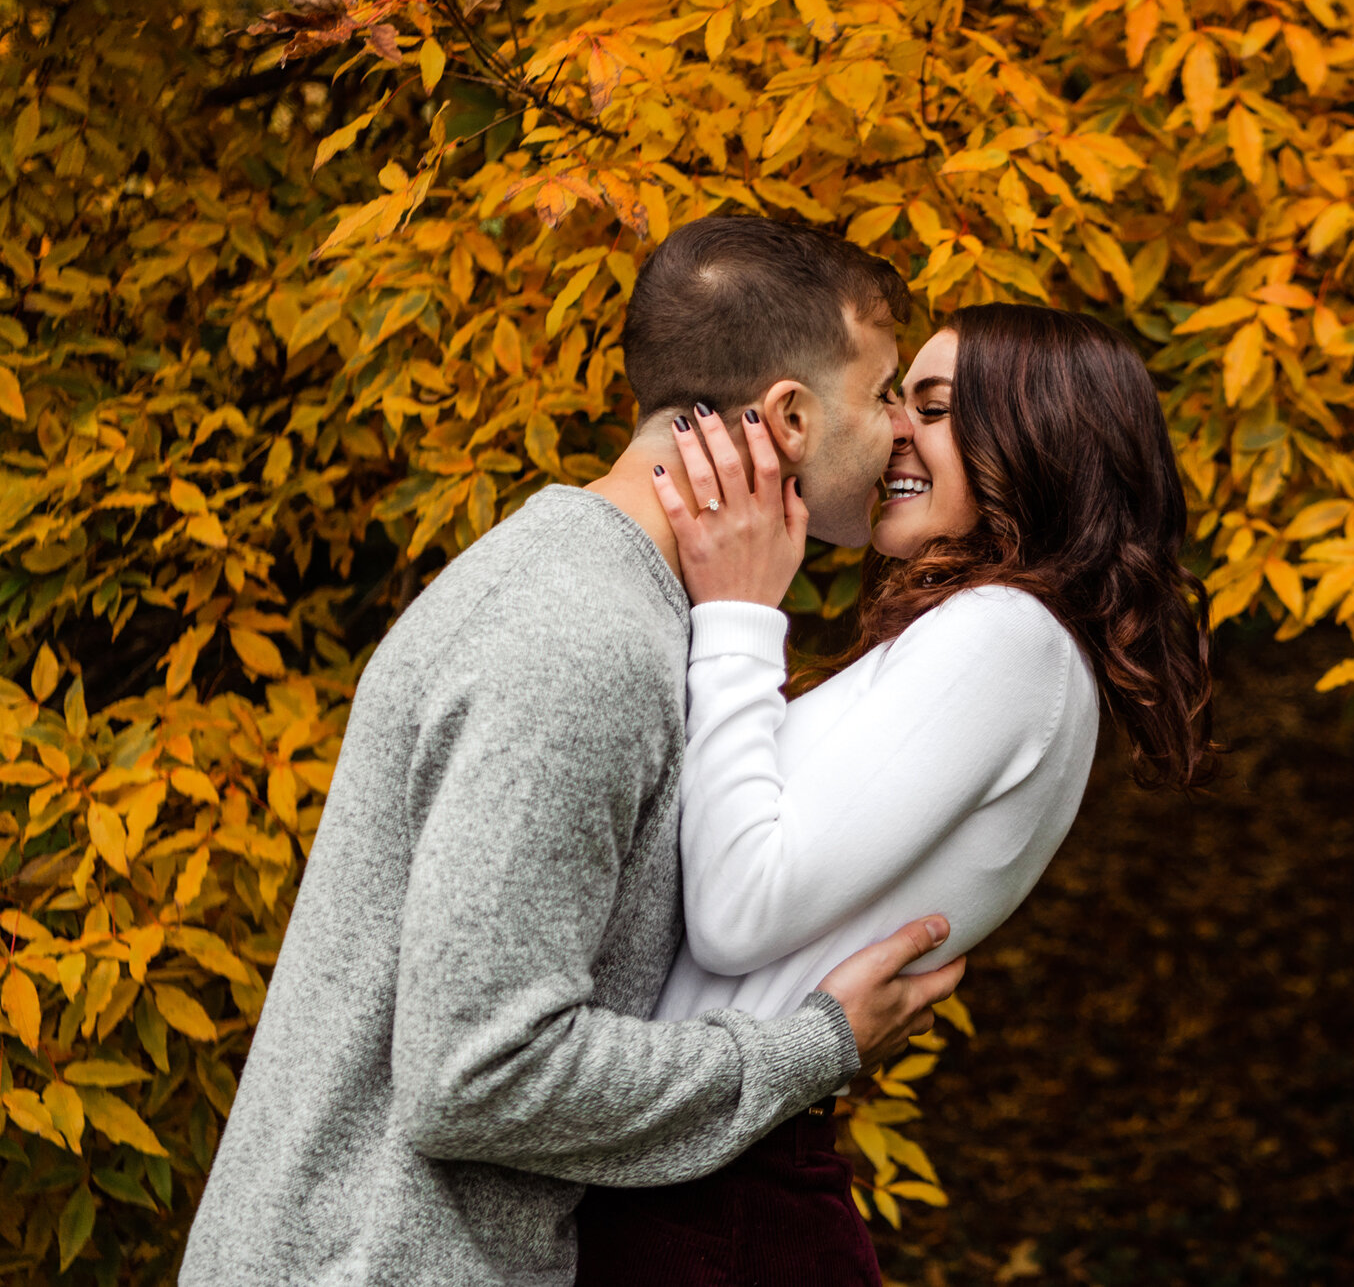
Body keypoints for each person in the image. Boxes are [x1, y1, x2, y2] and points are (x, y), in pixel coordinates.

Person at [180, 216, 967, 1286]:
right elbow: (479, 1070)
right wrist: (812, 1043)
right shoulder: (581, 639)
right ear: (789, 415)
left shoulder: (580, 588)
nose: (897, 432)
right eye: (881, 395)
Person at [573, 303, 1218, 1284]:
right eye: (892, 399)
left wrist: (743, 614)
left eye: (935, 405)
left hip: (716, 1209)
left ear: (1034, 436)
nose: (890, 430)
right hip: (701, 1181)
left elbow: (740, 911)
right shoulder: (1001, 641)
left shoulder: (1006, 634)